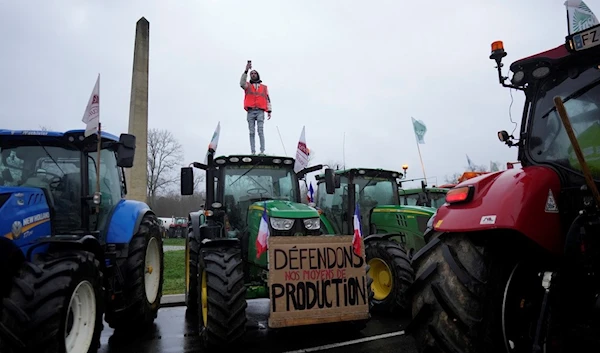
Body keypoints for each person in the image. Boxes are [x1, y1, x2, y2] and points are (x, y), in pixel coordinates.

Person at [240, 61, 272, 155]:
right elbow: (241, 83)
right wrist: (246, 70)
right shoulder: (247, 85)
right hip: (250, 111)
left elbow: (267, 99)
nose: (253, 75)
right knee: (251, 132)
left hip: (260, 111)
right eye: (252, 74)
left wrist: (269, 111)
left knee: (260, 130)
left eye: (255, 73)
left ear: (258, 75)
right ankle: (253, 151)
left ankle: (262, 151)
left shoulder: (264, 87)